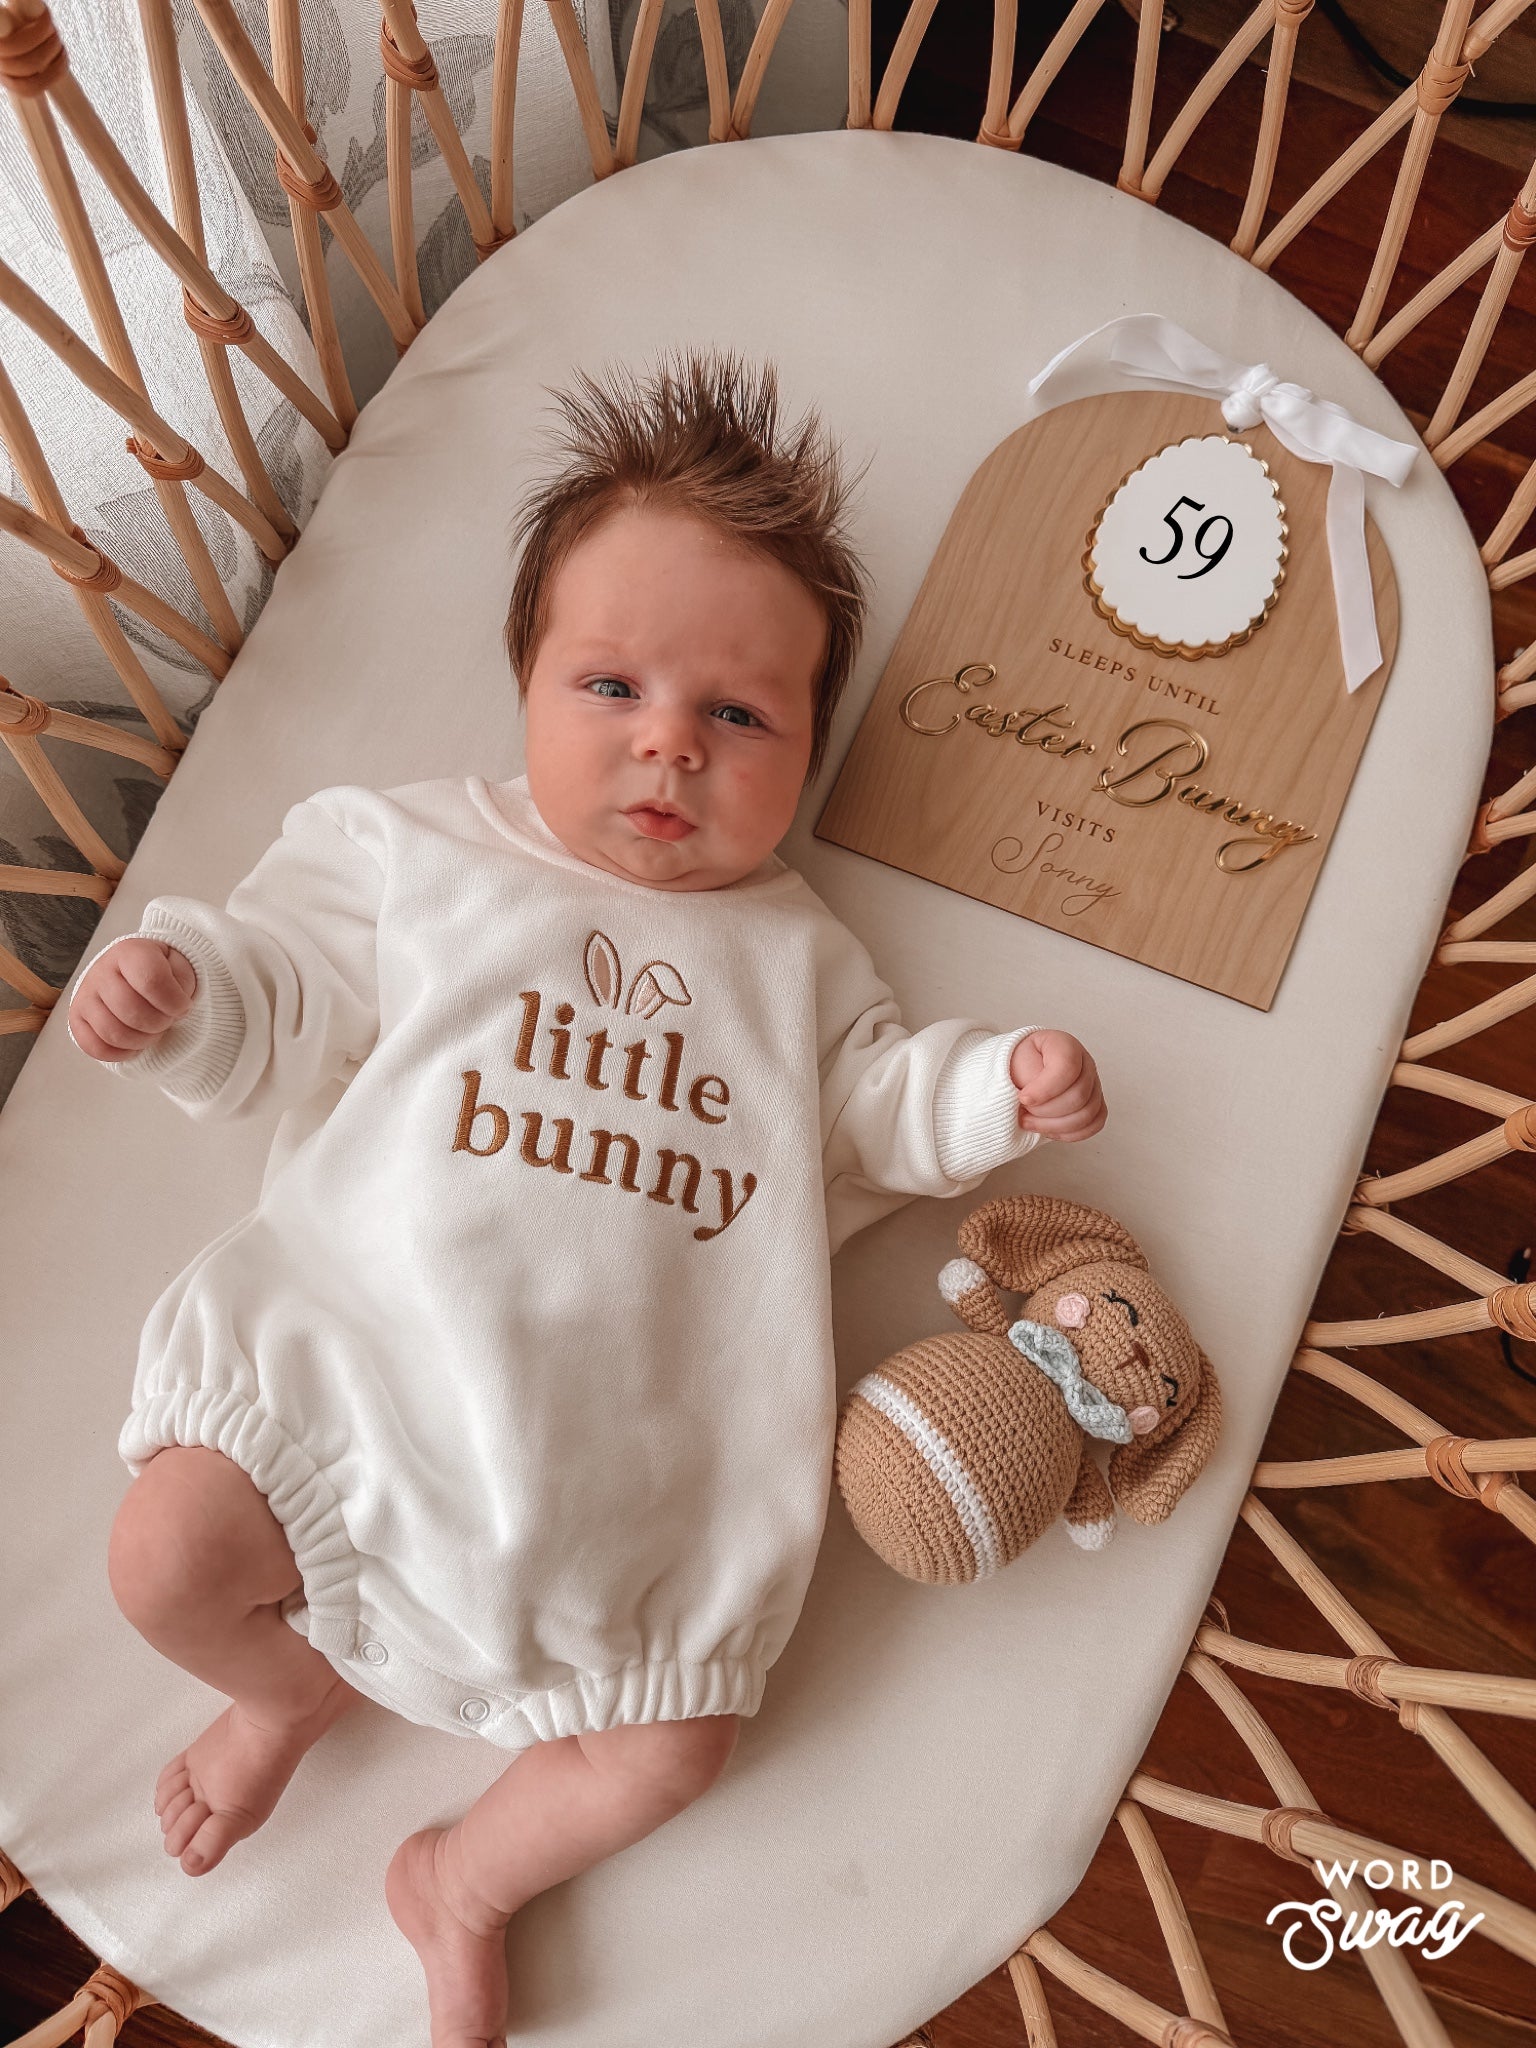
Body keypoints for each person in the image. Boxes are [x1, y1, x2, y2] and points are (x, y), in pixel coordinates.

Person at [66, 348, 1107, 2048]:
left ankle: (463, 1880)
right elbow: (285, 989)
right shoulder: (425, 857)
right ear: (528, 682)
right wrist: (186, 991)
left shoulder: (797, 960)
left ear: (810, 755)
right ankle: (286, 1691)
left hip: (631, 1493)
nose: (668, 745)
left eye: (739, 717)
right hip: (354, 1394)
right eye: (611, 686)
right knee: (163, 1556)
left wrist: (996, 1088)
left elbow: (874, 1110)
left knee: (674, 1744)